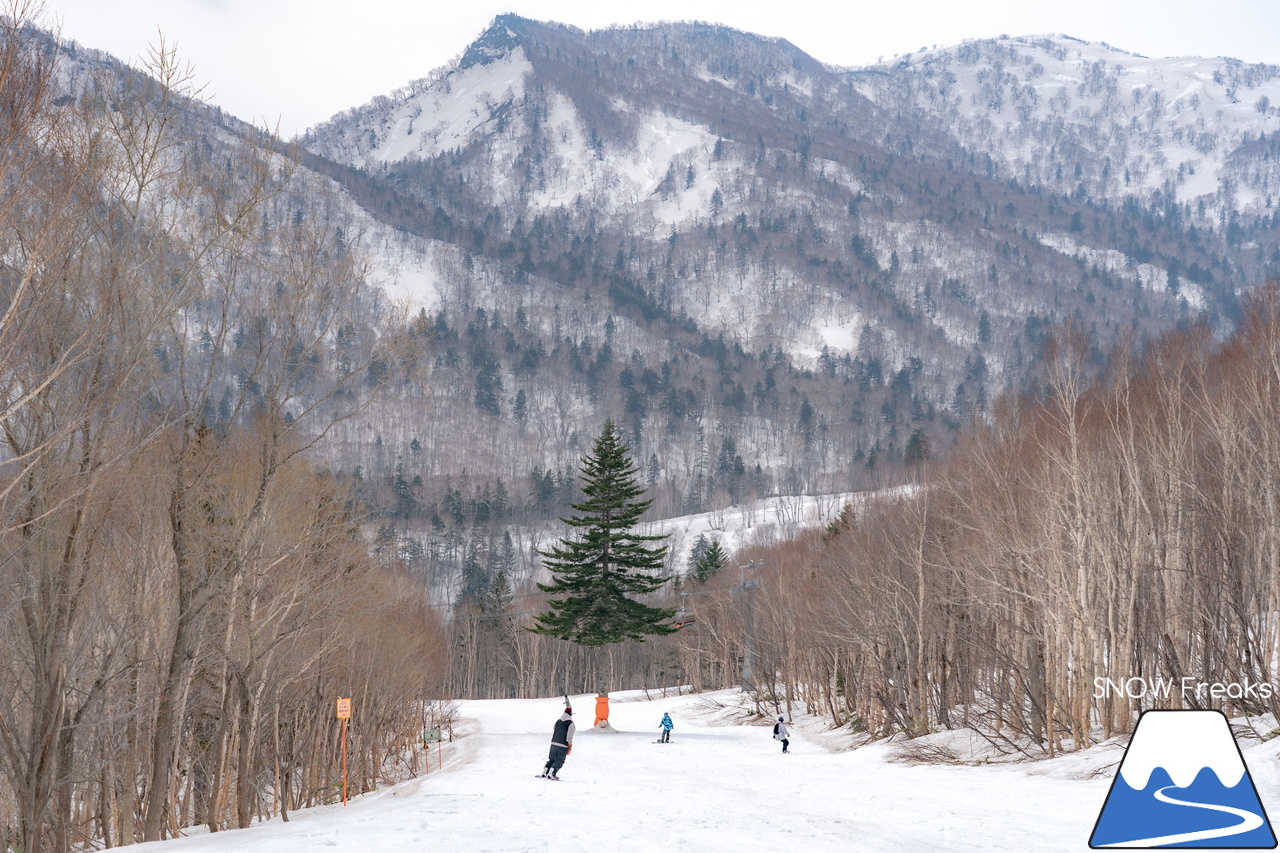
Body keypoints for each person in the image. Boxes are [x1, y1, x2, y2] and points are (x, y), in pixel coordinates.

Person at [541, 706, 575, 778]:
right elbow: (569, 736)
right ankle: (552, 773)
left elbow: (554, 728)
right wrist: (570, 745)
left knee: (552, 759)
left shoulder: (558, 721)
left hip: (553, 743)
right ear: (570, 714)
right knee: (560, 761)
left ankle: (545, 771)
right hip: (563, 745)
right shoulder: (571, 724)